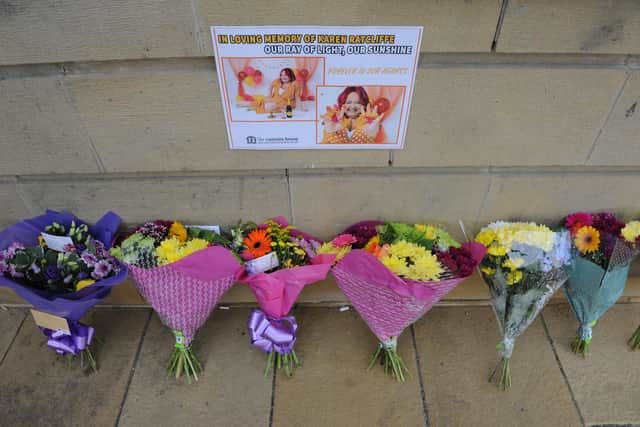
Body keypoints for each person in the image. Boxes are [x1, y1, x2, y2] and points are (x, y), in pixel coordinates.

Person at [320, 86, 384, 144]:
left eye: (358, 103)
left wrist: (371, 130)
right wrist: (330, 131)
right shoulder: (333, 120)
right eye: (349, 102)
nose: (352, 106)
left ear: (364, 106)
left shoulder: (371, 123)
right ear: (342, 104)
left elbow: (372, 130)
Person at [238, 68, 306, 116]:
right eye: (281, 75)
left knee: (268, 106)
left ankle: (255, 107)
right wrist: (269, 94)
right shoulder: (278, 81)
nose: (283, 77)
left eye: (285, 75)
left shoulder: (295, 84)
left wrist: (301, 108)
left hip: (287, 102)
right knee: (264, 100)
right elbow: (270, 86)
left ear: (290, 76)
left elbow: (297, 97)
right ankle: (249, 105)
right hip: (276, 98)